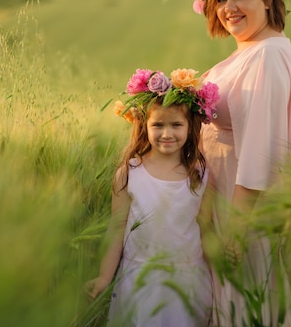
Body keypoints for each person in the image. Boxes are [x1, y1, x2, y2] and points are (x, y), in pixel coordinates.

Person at [168, 0, 291, 327]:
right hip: (222, 203)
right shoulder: (251, 49)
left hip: (241, 208)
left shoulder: (268, 55)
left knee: (245, 307)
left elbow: (263, 148)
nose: (229, 8)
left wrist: (237, 230)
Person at [86, 68, 220, 326]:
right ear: (144, 126)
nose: (167, 134)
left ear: (190, 126)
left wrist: (222, 267)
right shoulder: (130, 173)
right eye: (157, 125)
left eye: (176, 125)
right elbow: (117, 228)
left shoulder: (200, 175)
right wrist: (104, 277)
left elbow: (205, 227)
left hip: (187, 280)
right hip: (140, 280)